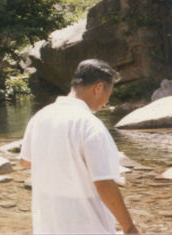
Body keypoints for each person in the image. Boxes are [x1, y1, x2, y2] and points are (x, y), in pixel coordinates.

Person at [20, 59, 139, 234]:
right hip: (88, 227)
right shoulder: (90, 125)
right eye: (109, 94)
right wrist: (129, 227)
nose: (107, 101)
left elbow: (26, 161)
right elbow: (104, 183)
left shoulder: (40, 117)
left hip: (47, 227)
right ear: (98, 87)